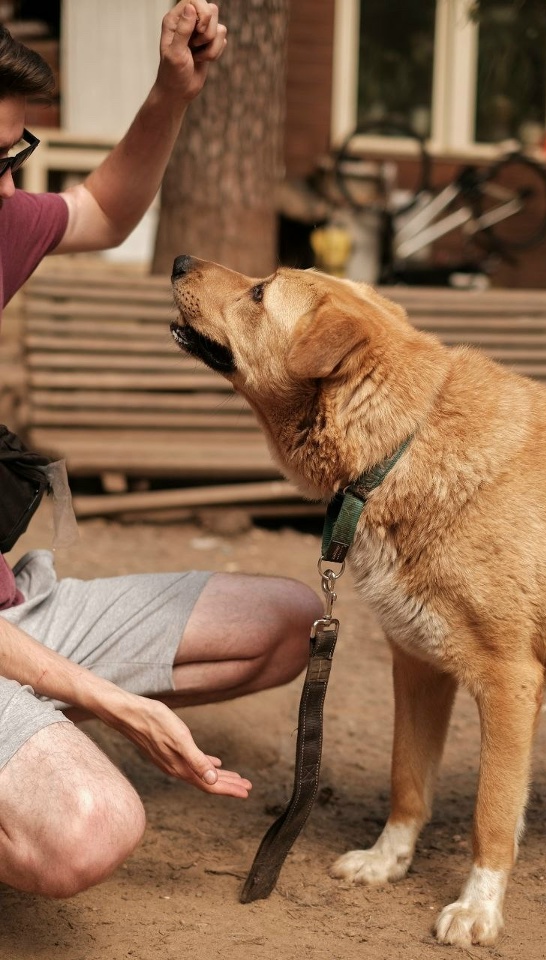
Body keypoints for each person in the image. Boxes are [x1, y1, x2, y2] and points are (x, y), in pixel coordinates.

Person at [0, 3, 322, 899]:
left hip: (14, 614)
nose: (11, 189)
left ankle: (25, 723)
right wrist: (110, 701)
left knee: (288, 621)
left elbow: (104, 209)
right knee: (90, 828)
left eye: (15, 156)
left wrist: (172, 93)